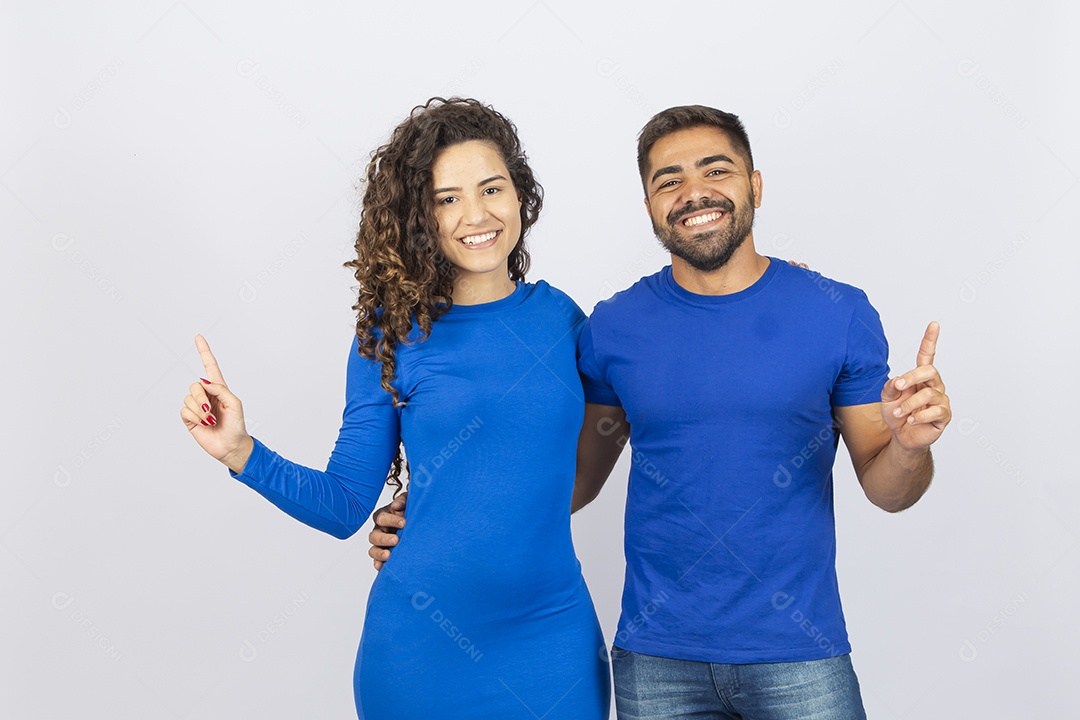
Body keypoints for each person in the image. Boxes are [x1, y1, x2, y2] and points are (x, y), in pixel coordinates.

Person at [370, 104, 952, 719]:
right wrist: (436, 516)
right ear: (649, 205)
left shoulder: (837, 312)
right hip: (657, 662)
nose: (693, 192)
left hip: (800, 654)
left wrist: (911, 446)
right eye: (668, 180)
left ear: (754, 185)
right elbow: (569, 483)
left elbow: (889, 491)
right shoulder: (614, 329)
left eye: (716, 170)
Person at [179, 97, 610, 718]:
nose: (476, 214)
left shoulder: (564, 320)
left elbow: (625, 415)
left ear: (521, 196)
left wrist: (775, 286)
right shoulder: (389, 335)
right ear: (420, 215)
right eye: (446, 198)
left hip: (552, 641)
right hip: (418, 652)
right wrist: (241, 452)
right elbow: (344, 506)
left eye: (492, 188)